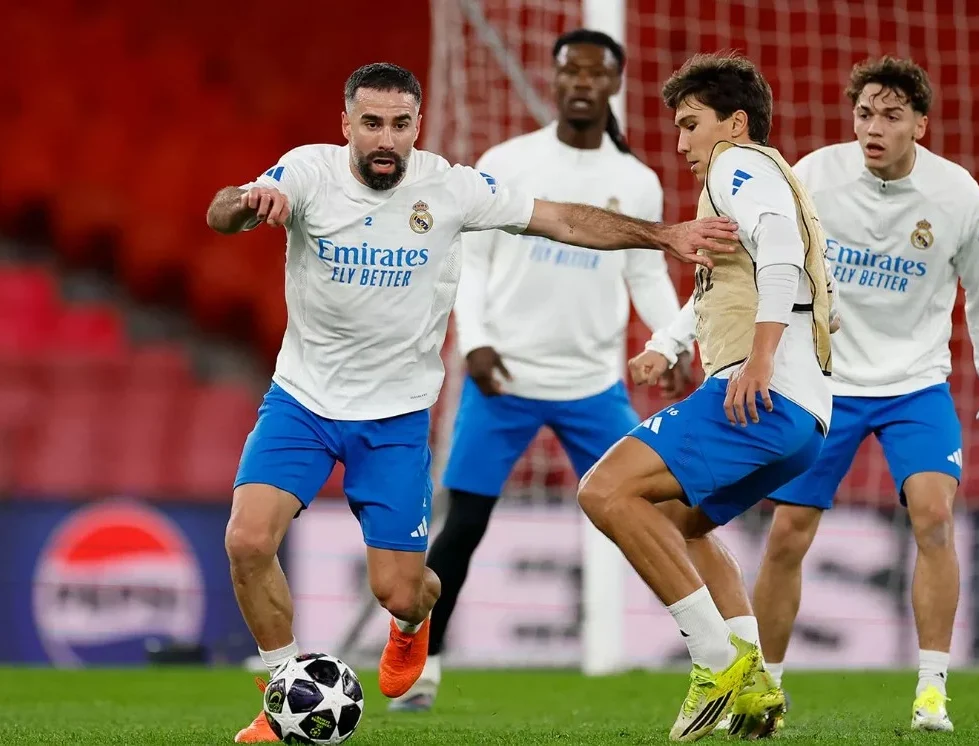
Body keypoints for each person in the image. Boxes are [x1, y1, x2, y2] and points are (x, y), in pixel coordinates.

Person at [204, 62, 738, 743]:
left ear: (417, 126)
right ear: (346, 125)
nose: (385, 139)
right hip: (302, 403)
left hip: (395, 418)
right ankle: (285, 695)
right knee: (248, 541)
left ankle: (414, 623)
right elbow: (222, 213)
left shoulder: (450, 188)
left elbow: (562, 220)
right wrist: (249, 201)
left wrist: (662, 235)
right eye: (371, 124)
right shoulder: (307, 172)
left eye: (400, 124)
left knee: (402, 590)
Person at [388, 28, 694, 713]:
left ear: (614, 84)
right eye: (569, 71)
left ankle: (712, 655)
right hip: (505, 382)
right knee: (464, 526)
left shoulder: (635, 181)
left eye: (595, 72)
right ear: (554, 79)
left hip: (594, 386)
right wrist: (475, 344)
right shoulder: (510, 162)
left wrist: (673, 343)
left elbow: (646, 274)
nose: (581, 82)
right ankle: (423, 665)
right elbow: (471, 263)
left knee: (665, 515)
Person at [743, 57, 979, 732]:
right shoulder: (814, 175)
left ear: (920, 124)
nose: (874, 127)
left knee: (935, 516)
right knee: (787, 533)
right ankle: (765, 688)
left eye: (892, 116)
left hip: (915, 385)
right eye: (865, 113)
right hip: (825, 381)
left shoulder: (959, 196)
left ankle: (931, 691)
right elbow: (761, 264)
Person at [577, 51, 838, 742]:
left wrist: (759, 359)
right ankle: (752, 681)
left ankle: (714, 661)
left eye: (691, 124)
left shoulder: (736, 164)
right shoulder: (767, 175)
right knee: (681, 524)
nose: (682, 142)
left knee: (604, 492)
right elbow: (735, 283)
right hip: (805, 417)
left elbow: (780, 253)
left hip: (762, 393)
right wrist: (669, 344)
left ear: (735, 122)